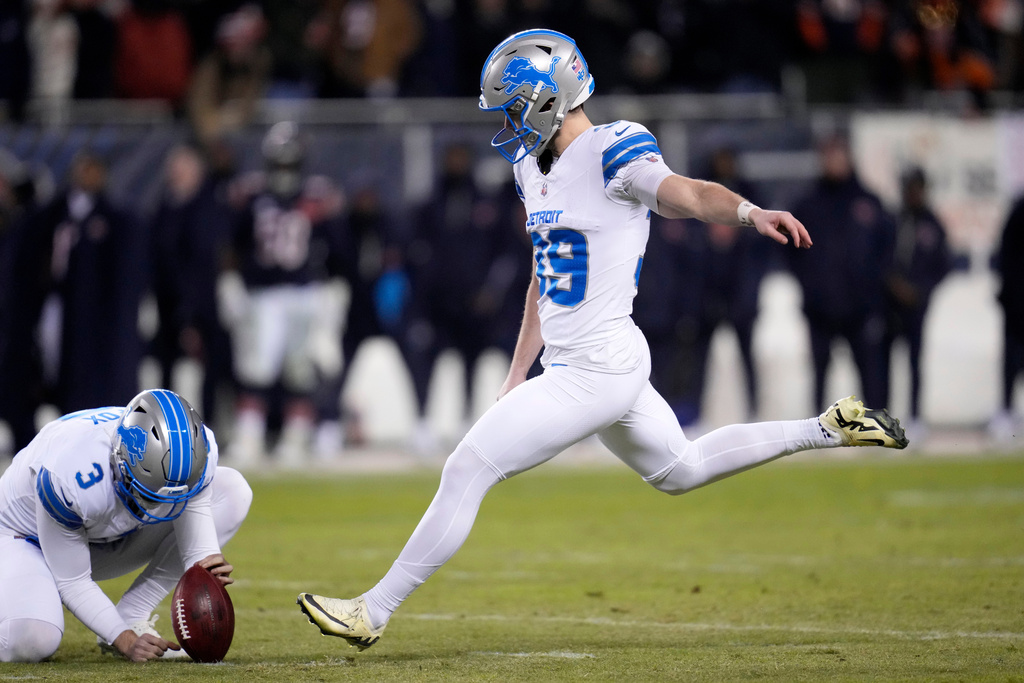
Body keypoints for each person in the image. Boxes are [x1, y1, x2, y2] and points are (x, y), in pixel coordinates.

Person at [296, 29, 909, 651]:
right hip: (592, 363)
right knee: (681, 469)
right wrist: (517, 374)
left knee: (467, 467)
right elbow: (545, 278)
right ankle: (829, 427)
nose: (507, 124)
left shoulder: (614, 147)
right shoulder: (529, 166)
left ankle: (373, 610)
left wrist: (751, 213)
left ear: (547, 99)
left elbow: (691, 195)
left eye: (513, 108)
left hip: (597, 366)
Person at [0, 389, 252, 662]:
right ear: (120, 462)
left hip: (104, 534)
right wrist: (123, 638)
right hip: (27, 540)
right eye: (149, 494)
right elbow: (73, 581)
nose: (159, 507)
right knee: (32, 640)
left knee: (232, 491)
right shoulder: (69, 475)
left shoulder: (199, 451)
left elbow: (194, 519)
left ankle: (132, 614)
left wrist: (204, 567)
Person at [221, 121, 347, 466]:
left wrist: (333, 291)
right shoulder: (252, 195)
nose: (284, 171)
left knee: (300, 370)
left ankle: (295, 437)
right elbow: (233, 243)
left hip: (305, 292)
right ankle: (249, 436)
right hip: (263, 293)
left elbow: (336, 248)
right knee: (255, 368)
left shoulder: (318, 196)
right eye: (279, 163)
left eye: (289, 163)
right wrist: (230, 281)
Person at [789, 133, 895, 411]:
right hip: (819, 309)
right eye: (828, 155)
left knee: (871, 376)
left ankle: (877, 426)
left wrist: (872, 288)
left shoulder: (869, 202)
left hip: (862, 309)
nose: (833, 161)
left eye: (838, 154)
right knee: (818, 375)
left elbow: (887, 249)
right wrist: (809, 284)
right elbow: (789, 251)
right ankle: (815, 430)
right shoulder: (808, 204)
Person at [881, 167, 952, 436]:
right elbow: (878, 257)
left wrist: (919, 291)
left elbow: (942, 266)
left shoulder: (933, 224)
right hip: (888, 304)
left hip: (916, 306)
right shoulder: (892, 220)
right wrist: (891, 283)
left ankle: (915, 417)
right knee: (882, 363)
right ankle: (882, 417)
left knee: (915, 362)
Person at [989, 193, 1024, 443]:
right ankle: (1006, 411)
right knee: (1011, 363)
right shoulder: (1019, 212)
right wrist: (1008, 297)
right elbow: (1005, 257)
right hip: (1017, 306)